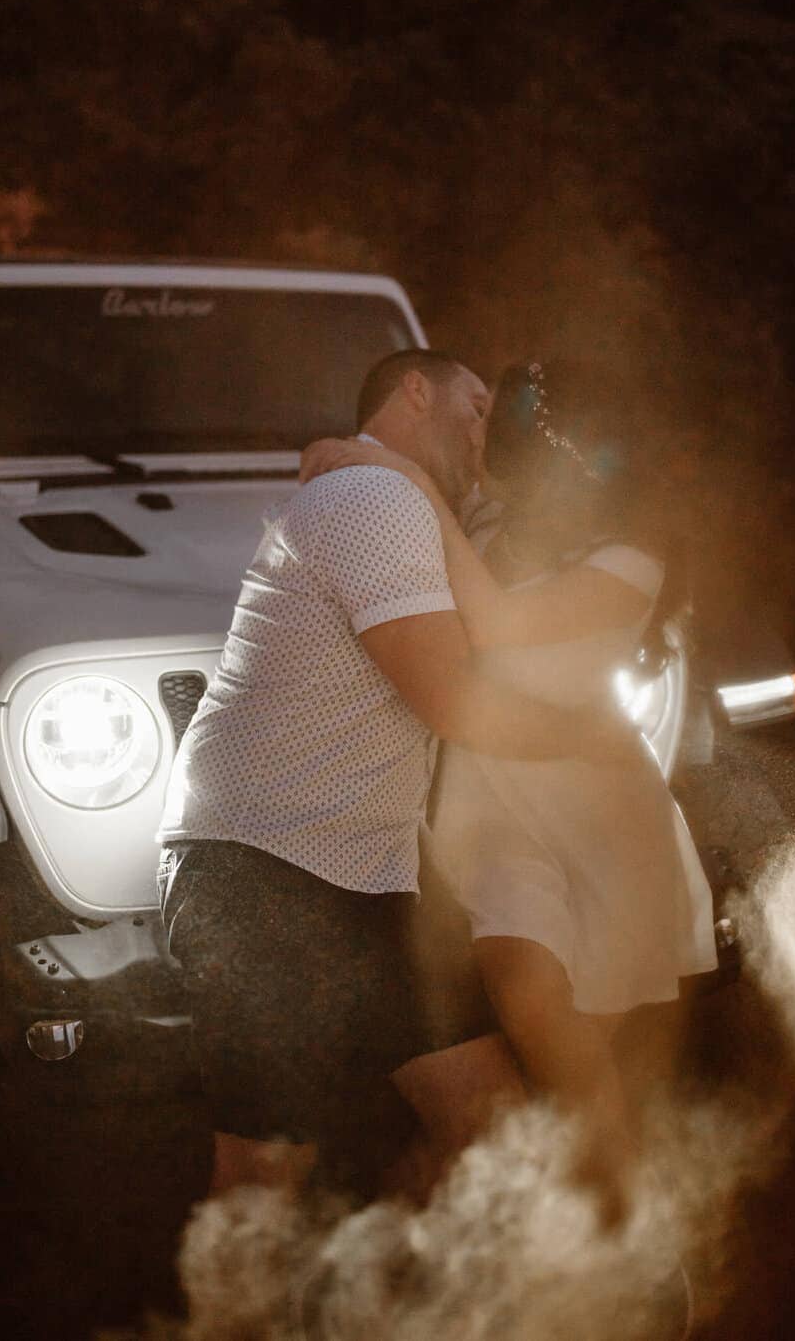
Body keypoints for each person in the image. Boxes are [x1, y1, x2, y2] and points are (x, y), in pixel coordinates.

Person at [156, 350, 640, 1200]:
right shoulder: (369, 500)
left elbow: (541, 508)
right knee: (266, 1179)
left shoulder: (398, 494)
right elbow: (453, 700)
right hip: (256, 873)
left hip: (364, 881)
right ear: (416, 390)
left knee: (487, 1126)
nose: (492, 432)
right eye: (479, 405)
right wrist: (590, 737)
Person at [300, 360, 718, 1219]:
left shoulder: (634, 560)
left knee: (561, 1075)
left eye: (505, 424)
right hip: (492, 812)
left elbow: (493, 621)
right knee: (525, 1009)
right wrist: (361, 459)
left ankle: (613, 1241)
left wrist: (401, 473)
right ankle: (501, 1246)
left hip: (600, 816)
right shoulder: (491, 523)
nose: (489, 440)